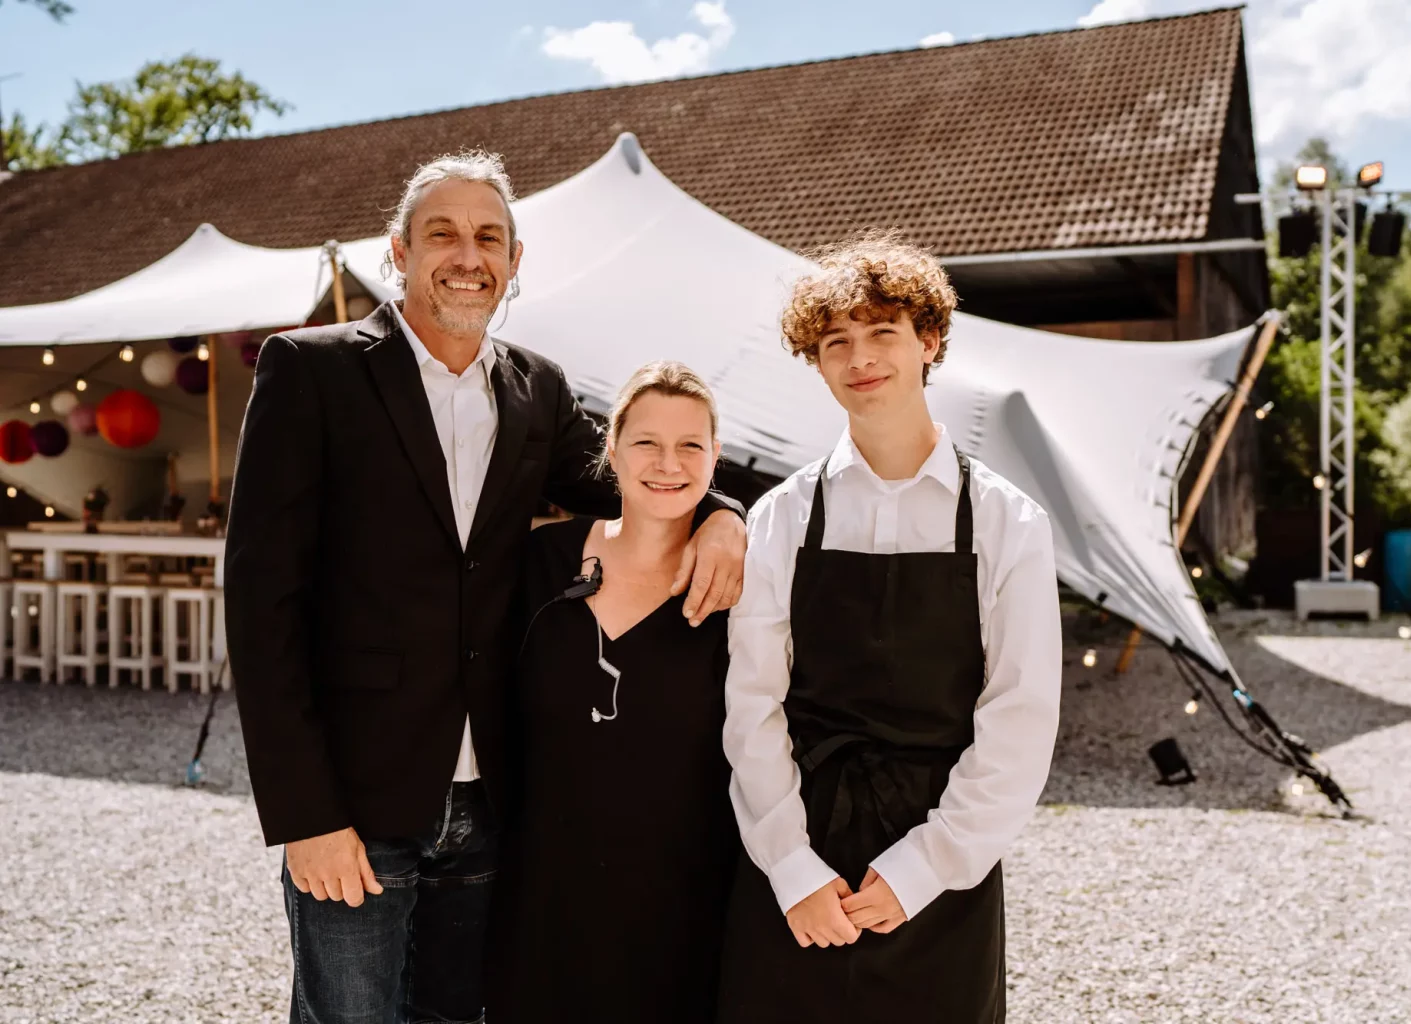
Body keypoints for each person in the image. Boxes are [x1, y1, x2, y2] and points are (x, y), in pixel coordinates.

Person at [224, 150, 746, 1024]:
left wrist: (725, 508)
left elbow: (635, 477)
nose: (468, 255)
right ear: (398, 251)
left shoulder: (535, 388)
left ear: (513, 261)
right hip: (359, 797)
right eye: (443, 235)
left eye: (488, 238)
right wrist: (303, 814)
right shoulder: (310, 370)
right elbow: (260, 601)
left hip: (494, 804)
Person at [716, 233, 1062, 1022]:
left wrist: (924, 868)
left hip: (942, 856)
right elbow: (751, 704)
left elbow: (1021, 717)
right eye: (836, 341)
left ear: (929, 340)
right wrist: (791, 866)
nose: (860, 358)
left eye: (882, 333)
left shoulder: (1008, 522)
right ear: (817, 360)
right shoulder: (783, 516)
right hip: (798, 840)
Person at [485, 361, 742, 1022]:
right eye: (646, 442)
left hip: (681, 911)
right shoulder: (541, 563)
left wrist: (728, 521)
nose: (668, 462)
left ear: (716, 458)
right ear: (611, 449)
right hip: (540, 905)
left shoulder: (739, 590)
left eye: (691, 445)